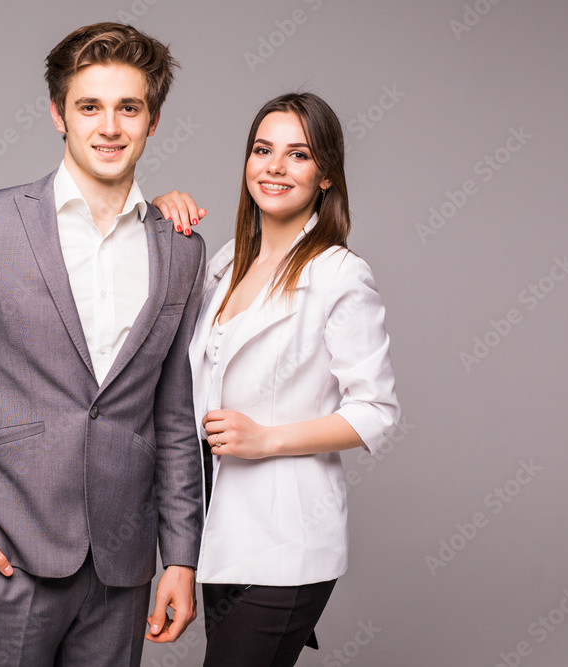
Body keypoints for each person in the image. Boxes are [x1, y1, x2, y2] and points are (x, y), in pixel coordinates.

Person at [0, 22, 206, 665]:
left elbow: (174, 416)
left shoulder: (180, 249)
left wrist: (180, 555)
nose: (110, 126)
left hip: (123, 564)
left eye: (129, 107)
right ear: (58, 114)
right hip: (8, 553)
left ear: (153, 120)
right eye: (90, 106)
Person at [153, 92, 400, 666]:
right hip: (221, 532)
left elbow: (377, 410)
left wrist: (267, 439)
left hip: (288, 537)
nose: (275, 166)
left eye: (298, 155)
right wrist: (156, 217)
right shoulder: (225, 260)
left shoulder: (339, 274)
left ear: (327, 177)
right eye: (263, 150)